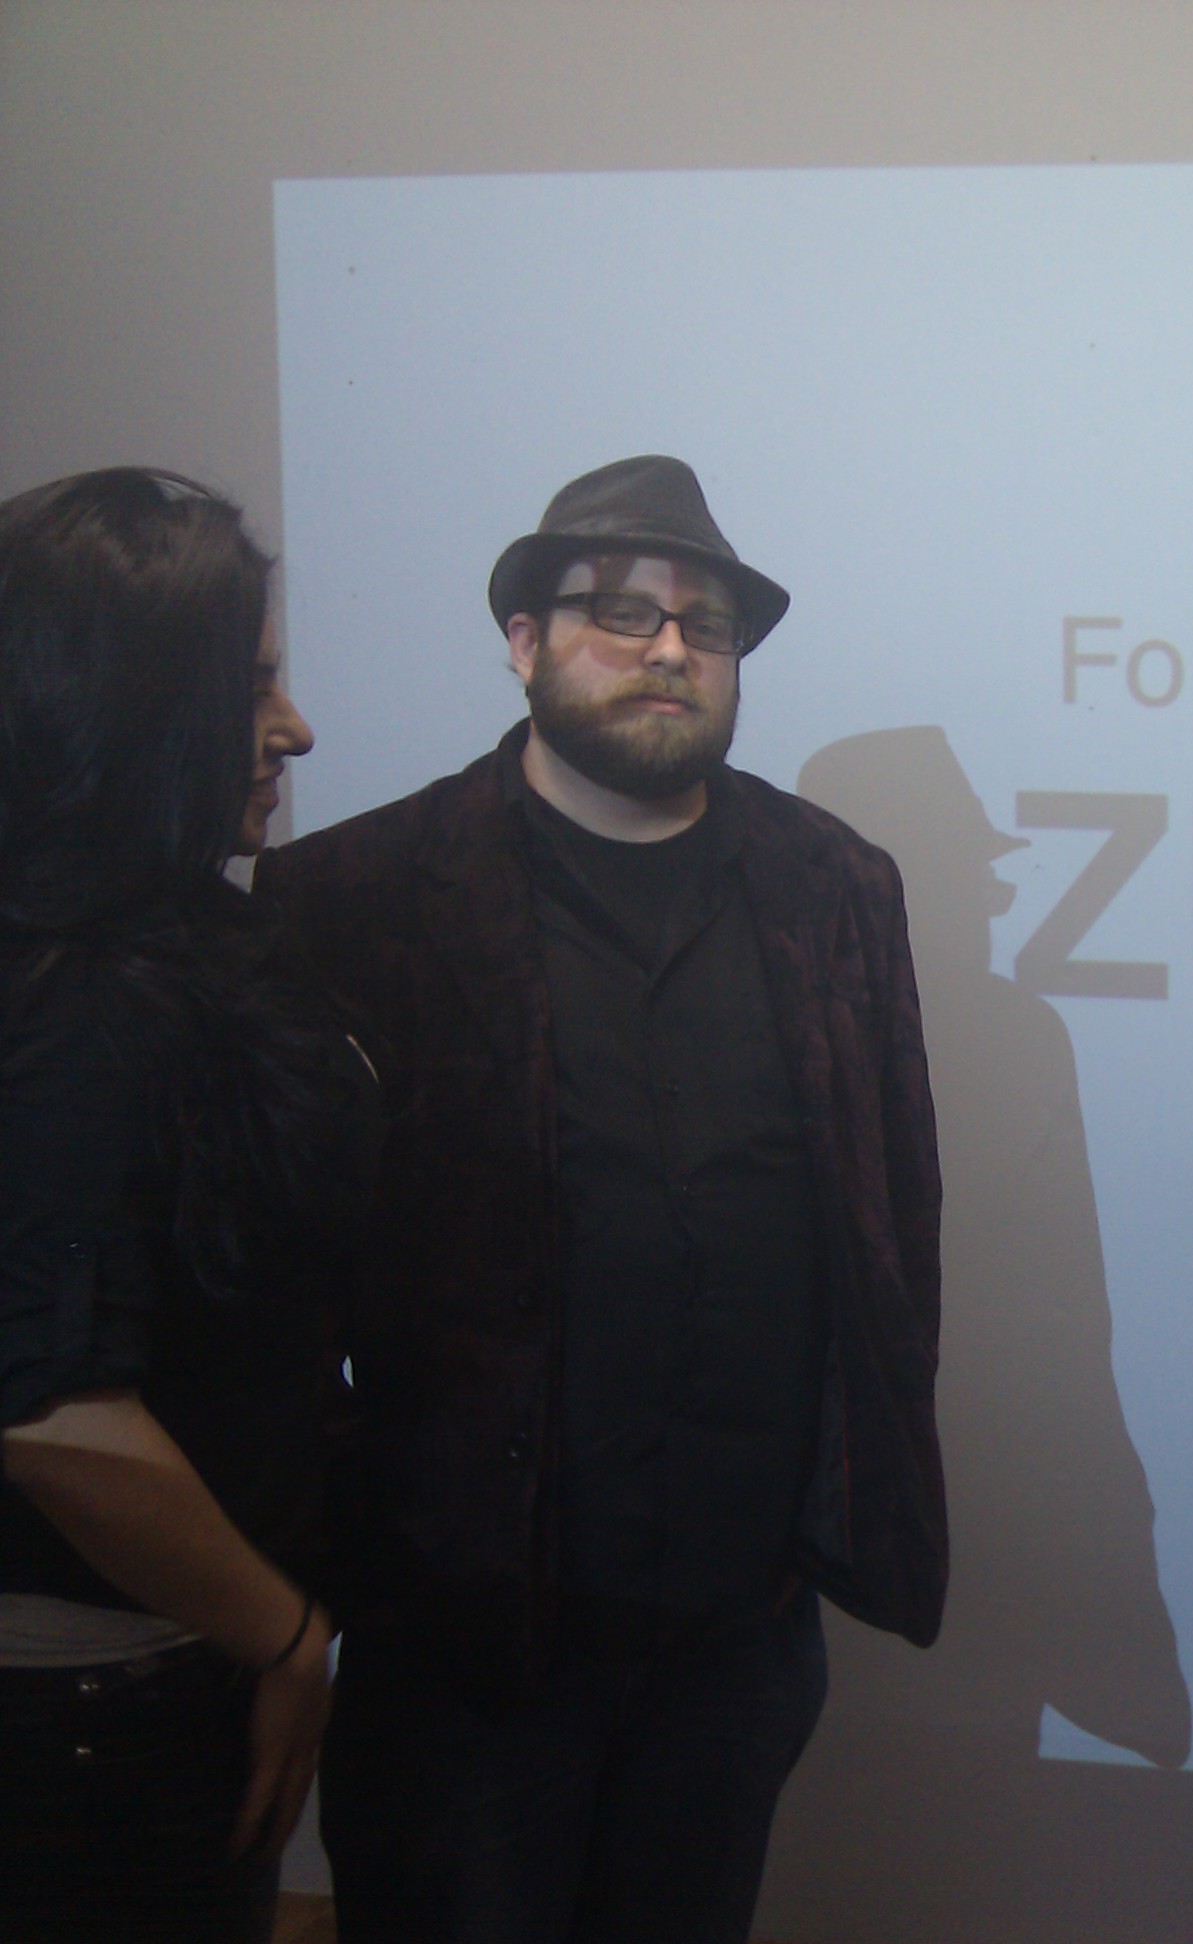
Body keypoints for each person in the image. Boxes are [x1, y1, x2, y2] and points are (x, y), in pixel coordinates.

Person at [254, 455, 944, 1944]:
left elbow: (893, 1224)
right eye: (621, 613)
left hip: (738, 1643)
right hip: (468, 1647)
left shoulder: (835, 887)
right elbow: (277, 1295)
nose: (669, 649)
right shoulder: (351, 900)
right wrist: (335, 1575)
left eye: (707, 624)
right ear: (523, 641)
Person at [0, 467, 364, 1941]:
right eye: (251, 683)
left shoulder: (183, 931)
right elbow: (53, 1415)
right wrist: (286, 1638)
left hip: (165, 1665)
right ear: (132, 703)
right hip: (95, 1705)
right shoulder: (71, 998)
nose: (295, 727)